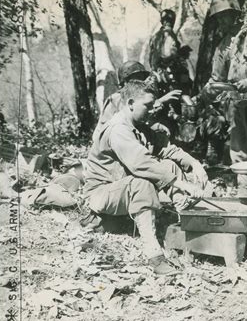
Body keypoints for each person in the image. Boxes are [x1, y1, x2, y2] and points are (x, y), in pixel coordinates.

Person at [84, 80, 208, 275]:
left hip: (121, 190)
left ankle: (185, 216)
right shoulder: (118, 128)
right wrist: (182, 183)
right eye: (148, 106)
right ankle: (155, 257)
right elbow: (141, 163)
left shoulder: (138, 125)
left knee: (168, 165)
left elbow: (167, 149)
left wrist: (194, 163)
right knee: (142, 183)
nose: (152, 110)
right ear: (131, 103)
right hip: (101, 195)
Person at [201, 0, 247, 210]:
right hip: (236, 99)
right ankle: (244, 192)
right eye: (218, 18)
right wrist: (208, 90)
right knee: (239, 145)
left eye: (225, 16)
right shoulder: (223, 45)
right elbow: (217, 77)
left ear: (236, 15)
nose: (222, 21)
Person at [94, 61, 181, 142]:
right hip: (107, 141)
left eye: (142, 78)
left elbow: (139, 122)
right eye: (136, 79)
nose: (140, 82)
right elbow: (128, 117)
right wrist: (161, 101)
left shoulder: (138, 97)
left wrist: (156, 126)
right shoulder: (117, 98)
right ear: (124, 82)